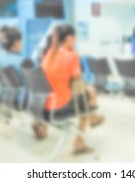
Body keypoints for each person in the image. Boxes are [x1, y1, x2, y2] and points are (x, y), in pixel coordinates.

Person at [41, 24, 104, 155]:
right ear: (69, 38)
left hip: (46, 104)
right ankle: (80, 140)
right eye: (74, 38)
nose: (75, 41)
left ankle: (92, 117)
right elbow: (77, 76)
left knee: (85, 92)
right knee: (89, 93)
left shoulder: (48, 54)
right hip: (59, 106)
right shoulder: (70, 55)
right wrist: (73, 53)